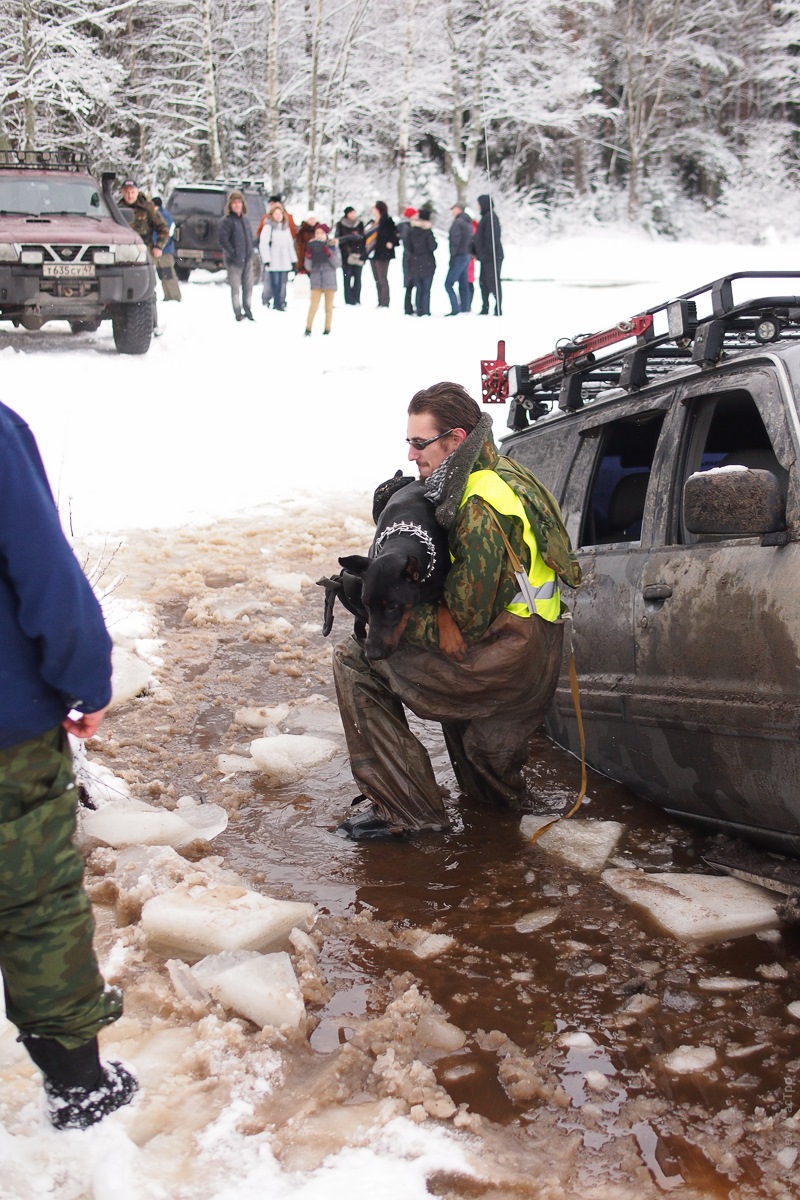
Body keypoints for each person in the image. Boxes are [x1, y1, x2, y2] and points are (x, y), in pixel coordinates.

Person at [331, 382, 581, 840]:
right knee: (493, 805)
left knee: (355, 660)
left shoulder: (479, 506)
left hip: (507, 657)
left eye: (420, 443)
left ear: (457, 439)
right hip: (532, 646)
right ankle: (495, 817)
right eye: (408, 442)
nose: (411, 455)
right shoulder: (502, 472)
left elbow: (463, 622)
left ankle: (408, 811)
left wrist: (372, 600)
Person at [0, 402, 138, 1129]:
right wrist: (85, 678)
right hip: (6, 735)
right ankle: (79, 1085)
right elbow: (43, 570)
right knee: (34, 903)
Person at [118, 180, 169, 333]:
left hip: (144, 253)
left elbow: (163, 228)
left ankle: (152, 324)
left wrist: (159, 247)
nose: (129, 195)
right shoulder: (116, 208)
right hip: (122, 254)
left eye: (132, 192)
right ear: (122, 193)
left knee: (148, 289)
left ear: (137, 192)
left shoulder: (147, 208)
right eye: (126, 192)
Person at [218, 190, 255, 321]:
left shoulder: (245, 221)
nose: (237, 205)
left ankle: (248, 310)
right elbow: (223, 240)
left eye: (239, 202)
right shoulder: (227, 221)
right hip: (234, 261)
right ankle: (238, 313)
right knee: (235, 288)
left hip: (247, 259)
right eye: (234, 202)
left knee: (248, 287)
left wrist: (251, 252)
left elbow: (250, 237)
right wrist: (232, 254)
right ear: (230, 205)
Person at [256, 196, 297, 307]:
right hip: (273, 258)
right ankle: (271, 300)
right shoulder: (268, 227)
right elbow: (263, 244)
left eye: (280, 214)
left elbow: (290, 245)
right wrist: (267, 259)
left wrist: (293, 260)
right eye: (276, 214)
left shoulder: (286, 227)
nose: (278, 216)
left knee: (282, 283)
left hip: (284, 259)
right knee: (272, 282)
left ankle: (280, 301)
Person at [304, 224, 341, 336]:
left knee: (328, 307)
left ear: (326, 234)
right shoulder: (311, 246)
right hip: (316, 281)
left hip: (329, 281)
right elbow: (308, 267)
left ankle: (327, 328)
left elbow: (338, 263)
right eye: (317, 233)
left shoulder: (333, 246)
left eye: (321, 233)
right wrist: (309, 256)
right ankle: (308, 328)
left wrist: (329, 254)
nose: (319, 235)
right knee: (313, 306)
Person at [404, 207, 437, 317]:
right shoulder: (428, 232)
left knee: (419, 288)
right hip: (428, 263)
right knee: (426, 289)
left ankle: (419, 309)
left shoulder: (411, 231)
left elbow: (408, 247)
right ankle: (425, 310)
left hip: (415, 263)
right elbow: (433, 247)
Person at [474, 193, 504, 316]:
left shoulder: (491, 218)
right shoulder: (485, 217)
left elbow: (492, 238)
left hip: (492, 256)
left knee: (493, 282)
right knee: (483, 282)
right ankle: (485, 307)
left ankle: (498, 308)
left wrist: (486, 253)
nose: (477, 206)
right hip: (485, 257)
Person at [364, 201, 398, 308]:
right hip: (372, 253)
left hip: (383, 253)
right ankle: (380, 301)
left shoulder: (387, 220)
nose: (372, 209)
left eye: (374, 207)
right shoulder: (372, 222)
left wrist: (391, 242)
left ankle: (385, 302)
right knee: (377, 278)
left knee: (382, 277)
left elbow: (395, 234)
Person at [443, 202, 473, 316]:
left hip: (459, 255)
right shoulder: (467, 222)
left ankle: (455, 308)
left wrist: (452, 255)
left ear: (459, 209)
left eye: (453, 209)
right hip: (466, 255)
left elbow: (455, 241)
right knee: (463, 283)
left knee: (448, 284)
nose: (452, 212)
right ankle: (465, 307)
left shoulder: (458, 222)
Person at [150, 195, 181, 302]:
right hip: (157, 250)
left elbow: (166, 233)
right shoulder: (155, 215)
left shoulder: (164, 216)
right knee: (162, 275)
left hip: (165, 251)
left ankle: (175, 296)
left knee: (168, 274)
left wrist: (159, 246)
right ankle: (167, 295)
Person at [335, 207, 366, 305]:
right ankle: (348, 299)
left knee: (358, 278)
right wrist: (350, 238)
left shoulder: (359, 224)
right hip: (346, 255)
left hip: (358, 254)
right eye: (350, 213)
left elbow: (364, 238)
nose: (353, 215)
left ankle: (356, 298)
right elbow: (338, 239)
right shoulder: (340, 224)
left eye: (354, 213)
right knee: (347, 278)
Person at [397, 206, 418, 315]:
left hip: (409, 257)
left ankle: (409, 306)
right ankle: (408, 307)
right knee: (409, 283)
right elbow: (407, 243)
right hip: (409, 258)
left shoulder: (407, 226)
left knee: (410, 283)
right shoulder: (406, 227)